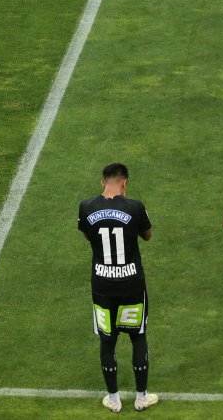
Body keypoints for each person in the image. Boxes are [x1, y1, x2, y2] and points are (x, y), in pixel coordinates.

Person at [77, 163, 159, 413]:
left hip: (102, 285)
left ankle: (113, 399)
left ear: (103, 183)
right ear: (124, 183)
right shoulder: (135, 207)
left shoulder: (86, 207)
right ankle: (141, 397)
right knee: (138, 336)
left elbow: (87, 235)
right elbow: (148, 235)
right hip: (132, 283)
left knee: (107, 340)